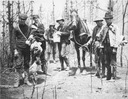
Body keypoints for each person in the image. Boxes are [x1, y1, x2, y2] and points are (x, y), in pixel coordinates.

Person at [97, 12, 124, 80]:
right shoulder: (104, 27)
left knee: (113, 61)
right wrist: (98, 37)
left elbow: (117, 38)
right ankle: (108, 77)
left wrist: (115, 47)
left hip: (112, 46)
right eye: (106, 19)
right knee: (106, 61)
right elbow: (100, 34)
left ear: (111, 19)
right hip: (106, 46)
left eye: (108, 19)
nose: (107, 20)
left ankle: (114, 76)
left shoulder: (115, 27)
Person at [12, 13, 32, 87]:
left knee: (27, 63)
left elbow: (31, 37)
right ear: (19, 19)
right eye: (21, 19)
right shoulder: (16, 28)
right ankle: (17, 81)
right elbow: (13, 39)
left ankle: (26, 80)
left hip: (27, 48)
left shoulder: (28, 28)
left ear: (25, 20)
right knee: (18, 64)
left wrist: (30, 40)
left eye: (24, 20)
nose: (22, 21)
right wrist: (15, 49)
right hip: (18, 48)